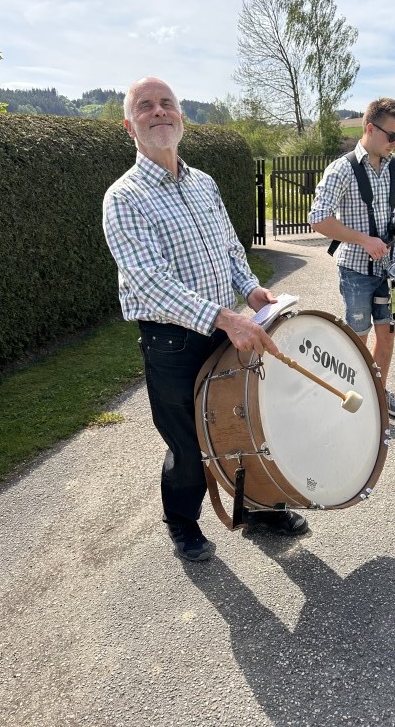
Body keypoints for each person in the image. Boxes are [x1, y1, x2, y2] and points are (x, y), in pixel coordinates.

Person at [103, 77, 308, 562]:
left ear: (181, 117)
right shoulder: (123, 197)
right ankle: (182, 523)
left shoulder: (204, 183)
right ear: (129, 126)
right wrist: (225, 318)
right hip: (173, 341)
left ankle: (257, 508)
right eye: (146, 106)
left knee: (245, 426)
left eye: (167, 103)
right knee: (189, 442)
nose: (159, 111)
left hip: (225, 328)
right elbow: (149, 281)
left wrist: (251, 289)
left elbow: (230, 248)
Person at [309, 98, 395, 418]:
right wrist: (364, 240)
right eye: (392, 136)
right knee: (358, 338)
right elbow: (319, 219)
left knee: (387, 335)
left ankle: (379, 395)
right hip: (356, 271)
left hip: (391, 268)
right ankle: (352, 398)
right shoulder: (341, 169)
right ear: (369, 128)